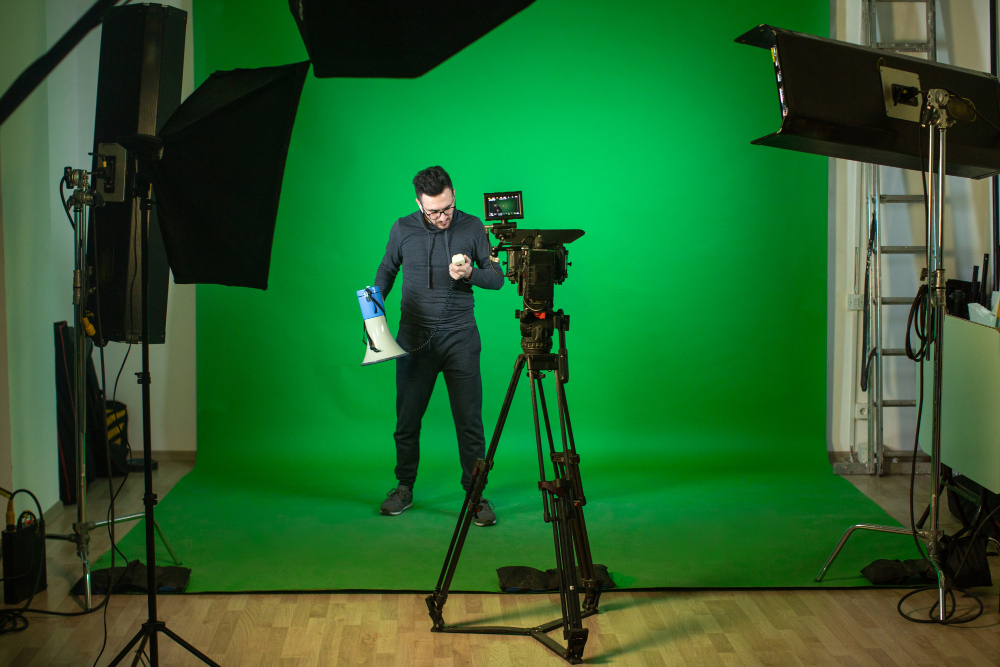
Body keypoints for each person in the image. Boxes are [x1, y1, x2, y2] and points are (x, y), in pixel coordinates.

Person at [374, 166, 504, 525]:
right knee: (407, 420)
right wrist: (374, 307)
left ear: (453, 195)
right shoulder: (403, 228)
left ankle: (475, 495)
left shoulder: (474, 226)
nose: (442, 217)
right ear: (419, 203)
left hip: (461, 338)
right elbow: (387, 270)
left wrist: (470, 275)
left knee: (470, 423)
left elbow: (497, 279)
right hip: (415, 338)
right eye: (433, 211)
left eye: (446, 208)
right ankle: (403, 487)